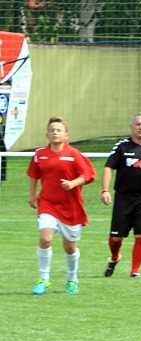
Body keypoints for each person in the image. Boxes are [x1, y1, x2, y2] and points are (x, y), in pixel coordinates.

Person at [27, 116, 96, 295]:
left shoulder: (74, 154)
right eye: (52, 130)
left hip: (71, 207)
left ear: (66, 135)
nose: (55, 133)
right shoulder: (40, 154)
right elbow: (34, 175)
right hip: (47, 203)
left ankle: (72, 279)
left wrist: (73, 183)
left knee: (69, 247)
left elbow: (88, 175)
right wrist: (32, 195)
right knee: (45, 239)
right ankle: (43, 278)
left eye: (59, 130)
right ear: (47, 135)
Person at [100, 113, 141, 278]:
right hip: (123, 197)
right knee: (116, 238)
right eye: (137, 124)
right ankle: (115, 257)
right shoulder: (122, 147)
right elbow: (108, 167)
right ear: (131, 127)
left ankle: (135, 271)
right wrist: (105, 190)